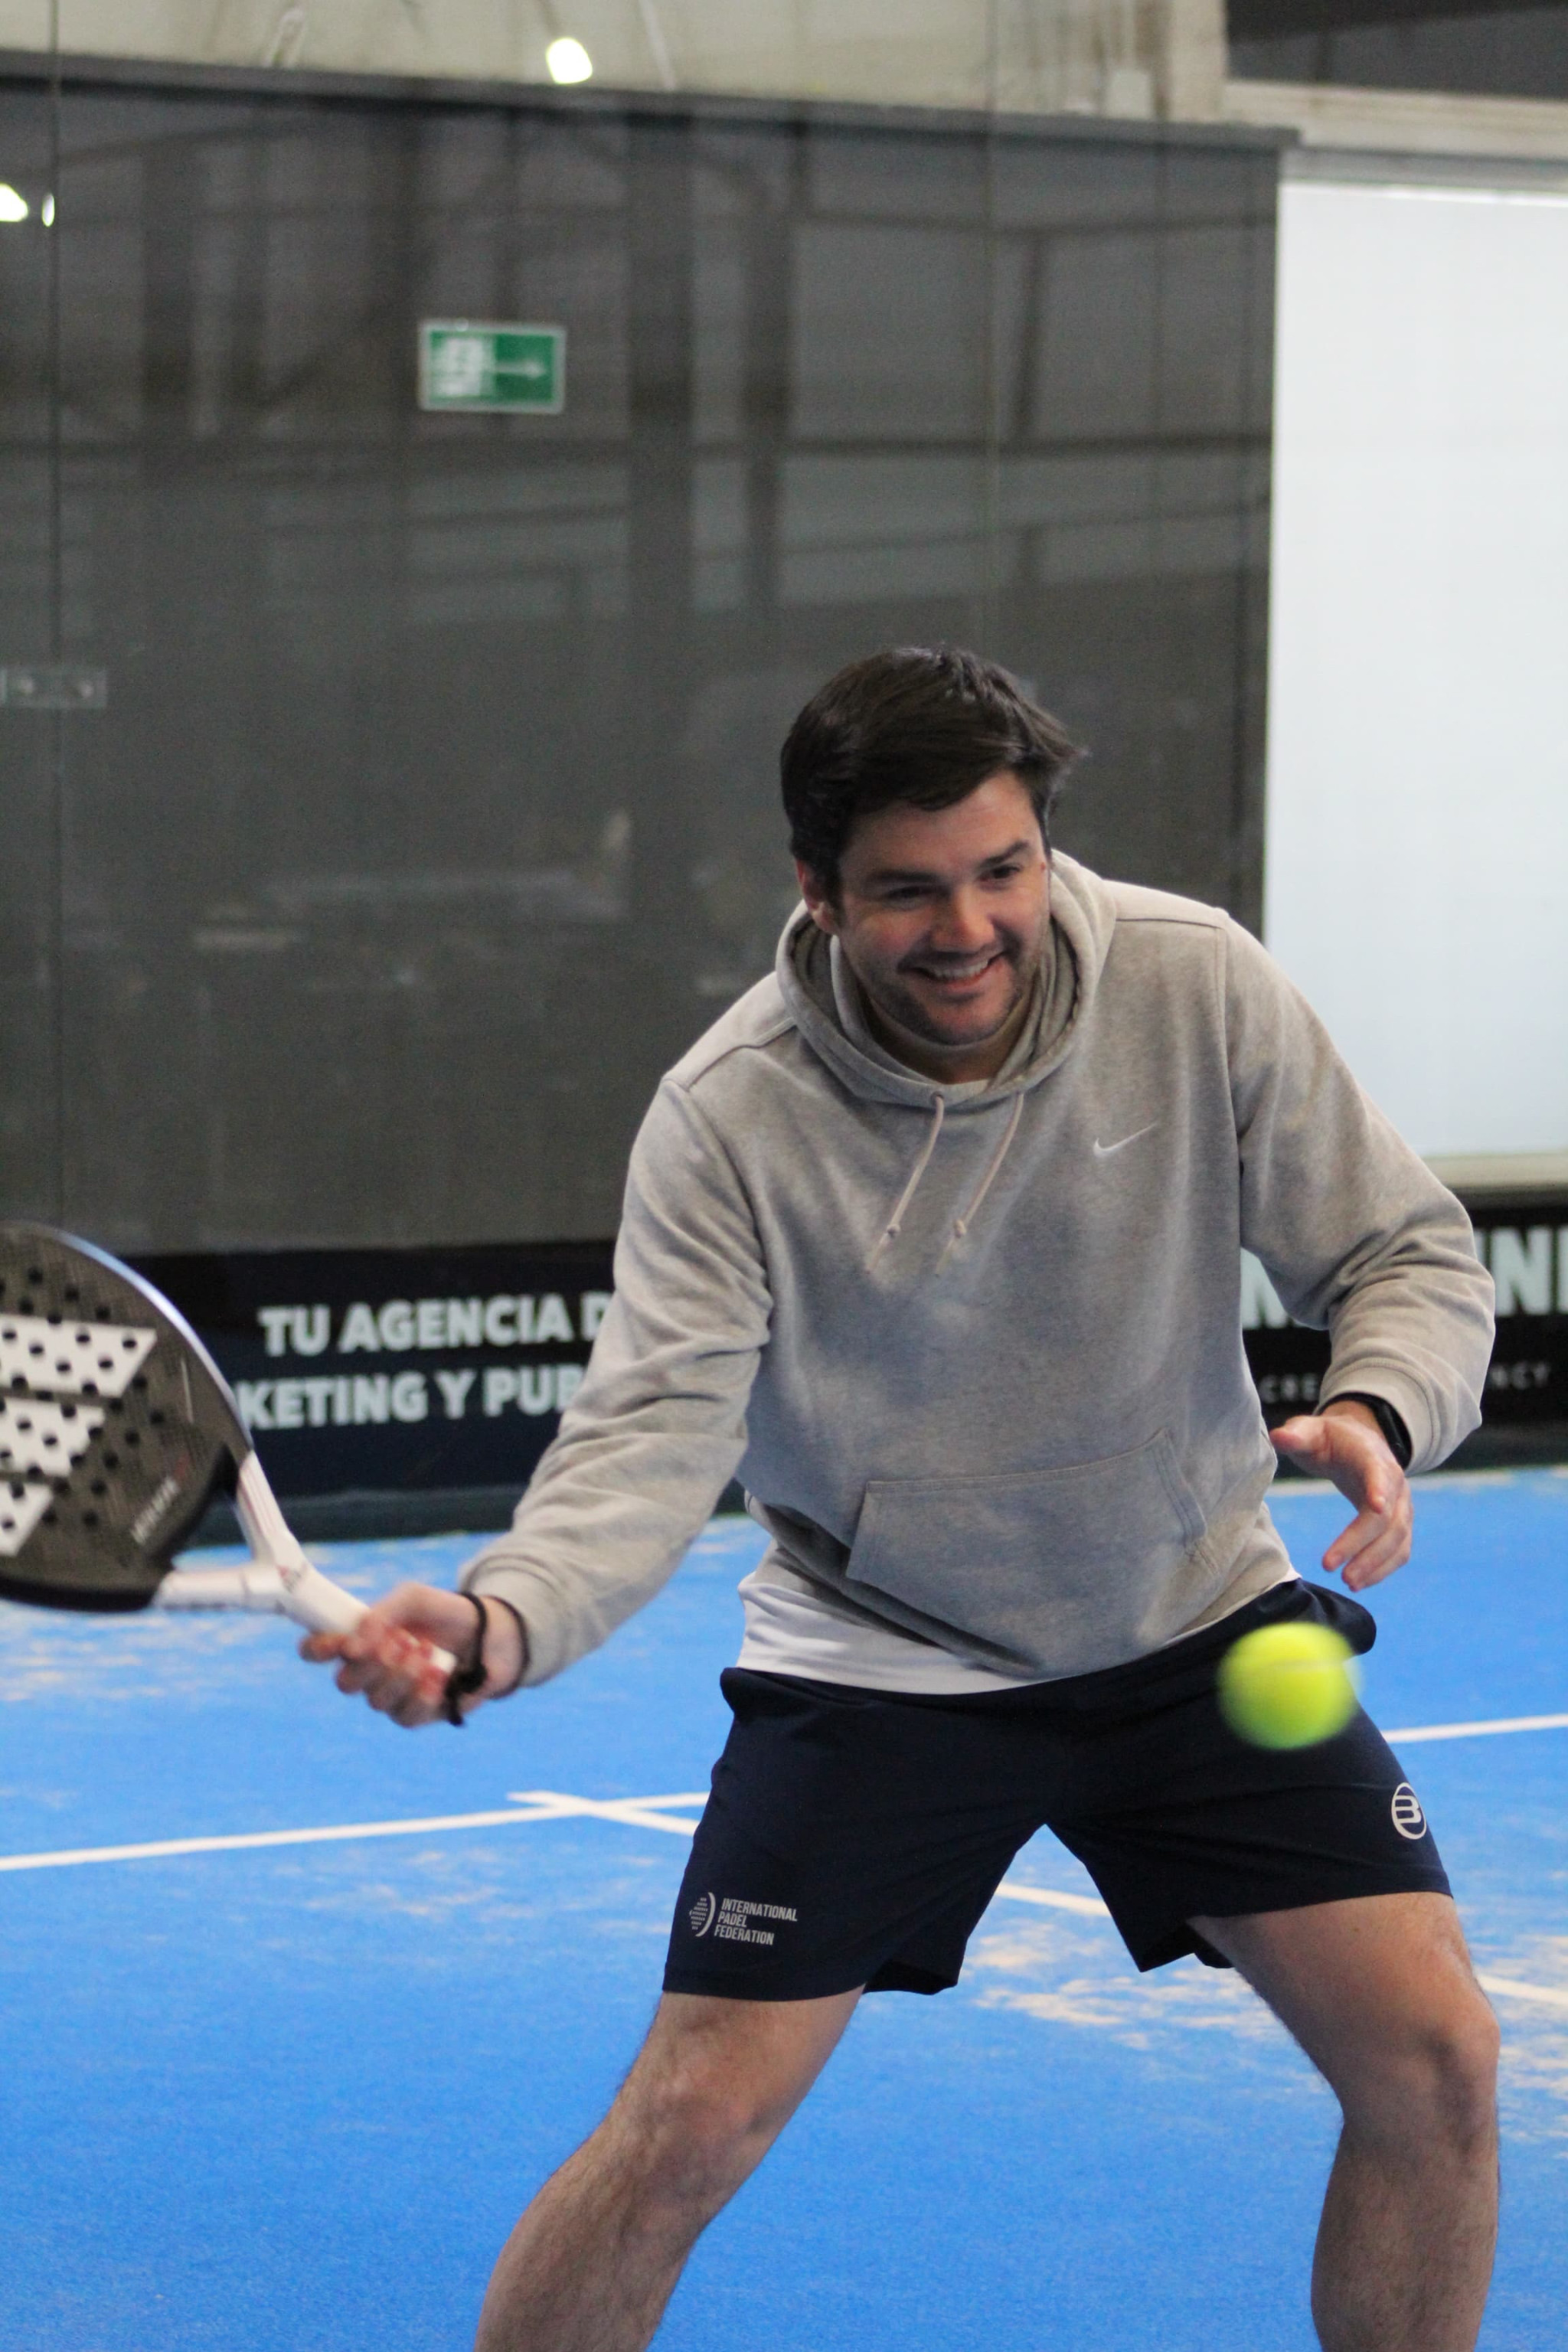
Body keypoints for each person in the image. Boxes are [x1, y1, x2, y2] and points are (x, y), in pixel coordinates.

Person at [305, 648, 1498, 2352]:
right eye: (909, 892)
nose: (970, 928)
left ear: (1044, 846)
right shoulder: (729, 1118)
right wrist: (506, 1616)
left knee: (1439, 2062)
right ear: (817, 888)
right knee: (686, 2130)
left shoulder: (1194, 982)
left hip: (1194, 1620)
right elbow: (650, 1436)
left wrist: (1383, 1403)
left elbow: (1404, 1251)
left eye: (1003, 870)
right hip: (883, 1658)